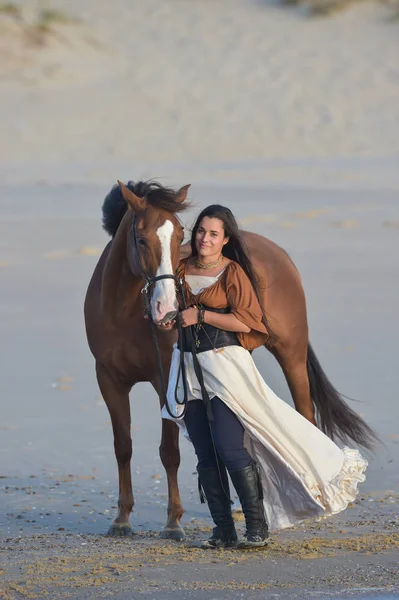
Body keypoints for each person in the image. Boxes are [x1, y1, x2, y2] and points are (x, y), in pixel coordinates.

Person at [161, 205, 368, 549]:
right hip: (186, 367)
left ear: (225, 240)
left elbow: (248, 323)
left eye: (213, 234)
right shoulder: (179, 270)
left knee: (230, 447)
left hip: (225, 366)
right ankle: (223, 530)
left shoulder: (233, 274)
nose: (205, 239)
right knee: (204, 454)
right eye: (200, 231)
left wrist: (201, 314)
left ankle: (257, 528)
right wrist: (170, 318)